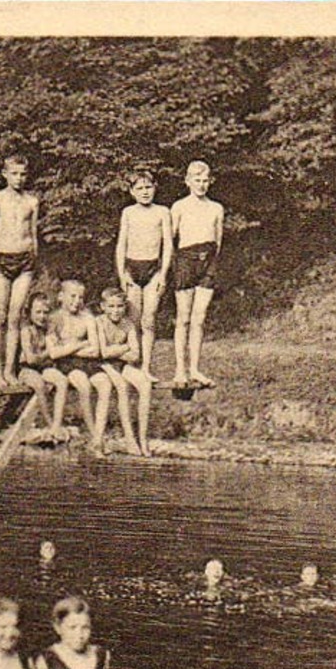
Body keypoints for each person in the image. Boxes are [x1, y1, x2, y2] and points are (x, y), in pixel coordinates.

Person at [170, 160, 225, 389]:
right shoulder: (179, 207)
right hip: (185, 259)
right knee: (183, 318)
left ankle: (194, 368)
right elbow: (171, 239)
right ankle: (180, 370)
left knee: (199, 318)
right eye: (197, 181)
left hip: (208, 259)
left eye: (205, 181)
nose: (201, 185)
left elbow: (218, 240)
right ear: (188, 181)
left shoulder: (216, 208)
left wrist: (208, 261)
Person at [0, 155, 41, 387]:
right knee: (0, 316)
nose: (18, 178)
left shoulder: (32, 201)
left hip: (25, 260)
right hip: (2, 258)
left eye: (22, 174)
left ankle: (10, 370)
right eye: (14, 174)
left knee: (15, 316)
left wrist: (33, 259)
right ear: (5, 174)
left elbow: (33, 234)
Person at [114, 170, 173, 376]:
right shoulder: (128, 212)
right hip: (132, 268)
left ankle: (146, 367)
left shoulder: (162, 211)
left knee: (149, 320)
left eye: (148, 187)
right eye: (139, 188)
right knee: (134, 320)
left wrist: (163, 274)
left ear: (155, 187)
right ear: (132, 192)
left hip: (153, 269)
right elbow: (121, 244)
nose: (145, 192)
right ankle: (133, 364)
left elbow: (168, 246)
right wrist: (122, 274)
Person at [43, 279, 111, 454]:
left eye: (80, 297)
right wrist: (80, 345)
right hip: (67, 365)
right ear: (61, 296)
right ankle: (95, 436)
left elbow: (95, 350)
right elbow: (54, 353)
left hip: (88, 362)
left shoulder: (88, 318)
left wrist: (68, 348)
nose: (77, 301)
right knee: (84, 386)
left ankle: (99, 435)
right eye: (72, 296)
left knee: (105, 384)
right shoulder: (54, 318)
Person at [94, 286, 154, 456]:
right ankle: (129, 438)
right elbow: (102, 353)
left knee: (145, 384)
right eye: (111, 306)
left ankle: (143, 438)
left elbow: (135, 355)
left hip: (121, 363)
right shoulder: (98, 322)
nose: (116, 311)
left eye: (120, 306)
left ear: (125, 307)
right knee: (122, 386)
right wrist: (125, 347)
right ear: (103, 306)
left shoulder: (128, 324)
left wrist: (118, 349)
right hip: (101, 365)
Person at [15, 291, 65, 443]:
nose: (42, 316)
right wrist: (48, 352)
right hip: (25, 369)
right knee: (38, 384)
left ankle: (57, 423)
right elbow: (30, 359)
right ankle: (48, 422)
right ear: (29, 312)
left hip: (43, 367)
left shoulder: (49, 330)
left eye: (45, 312)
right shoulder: (26, 331)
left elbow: (56, 352)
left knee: (61, 380)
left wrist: (46, 355)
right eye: (38, 312)